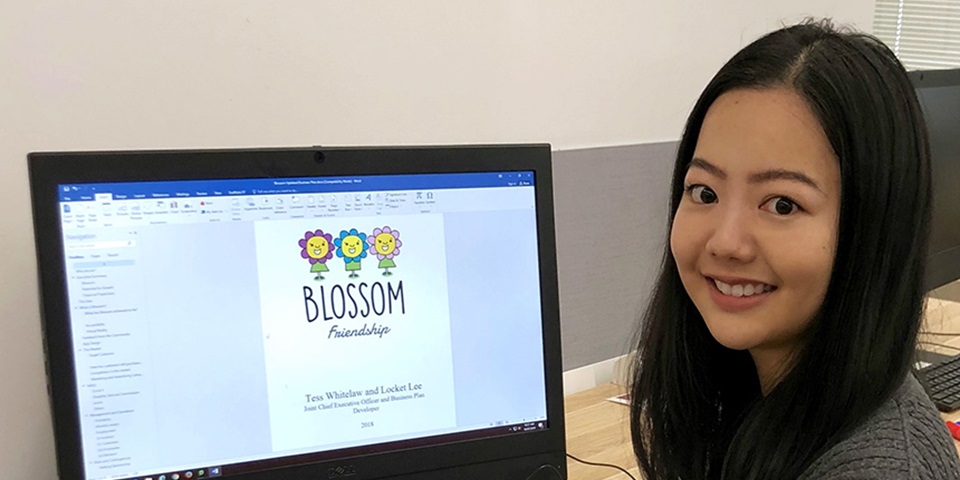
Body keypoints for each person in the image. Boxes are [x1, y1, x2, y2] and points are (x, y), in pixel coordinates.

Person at [628, 19, 960, 479]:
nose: (725, 241)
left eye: (782, 204)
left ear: (872, 227)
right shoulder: (761, 395)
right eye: (704, 192)